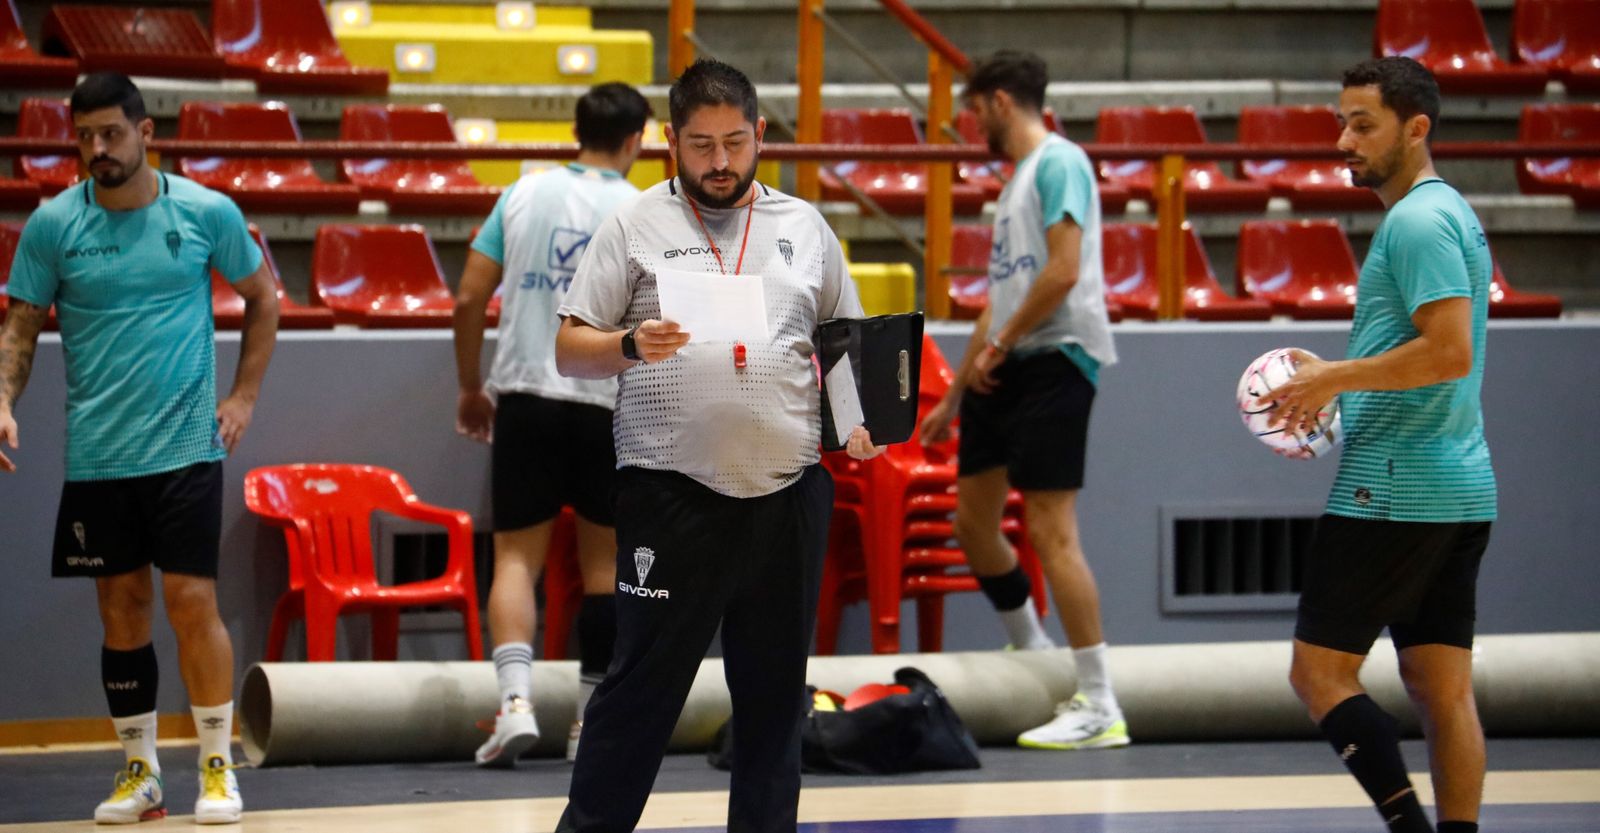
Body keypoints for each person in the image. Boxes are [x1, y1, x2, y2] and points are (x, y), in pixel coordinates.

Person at [550, 58, 880, 833]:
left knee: (773, 703)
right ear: (671, 142)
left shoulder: (805, 227)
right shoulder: (633, 224)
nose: (721, 162)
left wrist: (854, 419)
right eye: (701, 145)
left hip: (788, 493)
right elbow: (568, 348)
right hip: (672, 494)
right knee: (638, 696)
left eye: (735, 141)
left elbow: (842, 347)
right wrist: (630, 343)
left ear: (761, 133)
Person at [0, 72, 279, 824]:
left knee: (192, 605)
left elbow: (263, 298)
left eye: (111, 134)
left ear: (145, 132)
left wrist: (244, 395)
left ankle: (217, 767)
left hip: (187, 446)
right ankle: (141, 774)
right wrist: (1, 398)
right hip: (98, 456)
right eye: (84, 136)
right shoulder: (53, 225)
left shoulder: (205, 212)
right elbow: (21, 326)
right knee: (121, 614)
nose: (98, 149)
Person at [1265, 56, 1495, 833]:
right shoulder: (1451, 212)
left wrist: (1333, 378)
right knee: (1441, 686)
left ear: (1416, 128)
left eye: (1362, 124)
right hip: (1460, 484)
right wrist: (1336, 388)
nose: (1343, 140)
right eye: (1341, 121)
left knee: (1320, 672)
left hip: (1393, 488)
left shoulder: (1418, 221)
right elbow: (1426, 352)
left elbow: (1448, 351)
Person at [918, 50, 1127, 751]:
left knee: (1050, 528)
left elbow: (1064, 273)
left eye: (973, 108)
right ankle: (1032, 645)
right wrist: (958, 388)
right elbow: (1004, 290)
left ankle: (1100, 699)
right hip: (1008, 362)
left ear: (1000, 101)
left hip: (1056, 361)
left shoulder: (1060, 162)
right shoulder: (1016, 186)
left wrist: (1003, 343)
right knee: (973, 520)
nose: (970, 122)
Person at [453, 82, 652, 768]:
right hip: (607, 400)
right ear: (637, 140)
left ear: (577, 130)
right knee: (606, 568)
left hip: (529, 395)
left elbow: (469, 295)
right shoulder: (643, 209)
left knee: (515, 558)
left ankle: (514, 707)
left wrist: (468, 385)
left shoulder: (522, 193)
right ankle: (587, 725)